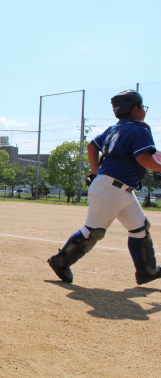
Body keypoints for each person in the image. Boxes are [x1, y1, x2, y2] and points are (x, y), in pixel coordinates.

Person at [48, 90, 161, 286]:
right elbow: (143, 159)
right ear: (135, 109)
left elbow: (92, 146)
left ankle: (146, 272)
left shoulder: (114, 130)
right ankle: (60, 261)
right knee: (93, 231)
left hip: (121, 190)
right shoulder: (138, 128)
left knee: (140, 227)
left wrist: (94, 172)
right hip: (111, 188)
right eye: (142, 107)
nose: (143, 111)